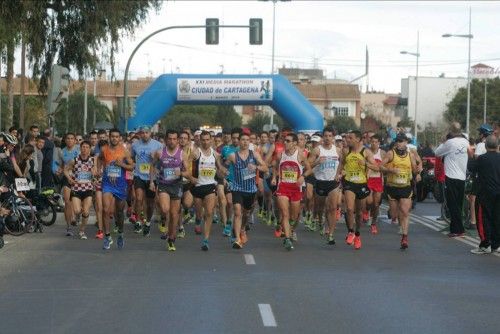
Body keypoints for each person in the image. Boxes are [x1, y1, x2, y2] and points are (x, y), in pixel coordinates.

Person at [150, 130, 193, 251]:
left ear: (177, 140)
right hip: (164, 185)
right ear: (166, 139)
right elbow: (152, 166)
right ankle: (167, 227)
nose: (172, 141)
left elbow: (188, 172)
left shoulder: (182, 154)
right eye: (170, 139)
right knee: (164, 208)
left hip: (177, 185)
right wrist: (151, 181)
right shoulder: (159, 153)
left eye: (175, 139)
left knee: (174, 215)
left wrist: (181, 172)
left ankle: (171, 238)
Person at [226, 132, 268, 249]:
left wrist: (256, 167)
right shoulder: (233, 155)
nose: (245, 142)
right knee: (238, 211)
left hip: (250, 190)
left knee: (246, 213)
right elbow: (224, 165)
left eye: (247, 140)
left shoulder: (254, 155)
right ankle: (237, 239)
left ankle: (243, 228)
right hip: (237, 188)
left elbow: (265, 167)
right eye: (242, 140)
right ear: (239, 142)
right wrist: (223, 172)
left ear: (250, 142)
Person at [273, 132, 311, 250]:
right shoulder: (280, 155)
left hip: (296, 188)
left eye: (288, 141)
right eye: (284, 140)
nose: (285, 142)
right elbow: (275, 166)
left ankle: (290, 229)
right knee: (285, 213)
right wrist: (274, 177)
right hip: (283, 187)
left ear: (295, 143)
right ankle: (287, 239)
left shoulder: (300, 155)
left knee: (294, 217)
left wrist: (302, 176)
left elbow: (309, 169)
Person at [342, 130, 379, 250]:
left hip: (361, 184)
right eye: (347, 138)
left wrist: (366, 164)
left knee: (358, 213)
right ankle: (351, 232)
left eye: (350, 138)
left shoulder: (366, 152)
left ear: (357, 139)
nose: (348, 140)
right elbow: (341, 163)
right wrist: (338, 173)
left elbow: (376, 168)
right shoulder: (346, 151)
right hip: (349, 182)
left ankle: (357, 235)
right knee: (349, 208)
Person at [189, 131, 226, 250]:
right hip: (197, 186)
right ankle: (198, 220)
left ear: (211, 140)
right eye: (203, 140)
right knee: (199, 213)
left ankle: (206, 240)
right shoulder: (195, 153)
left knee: (209, 212)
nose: (205, 142)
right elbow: (186, 166)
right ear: (200, 140)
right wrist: (190, 178)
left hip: (210, 186)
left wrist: (224, 173)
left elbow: (219, 168)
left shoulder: (215, 154)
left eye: (207, 140)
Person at [98, 128, 134, 250]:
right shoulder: (104, 150)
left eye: (116, 136)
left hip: (120, 185)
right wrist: (98, 170)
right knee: (106, 209)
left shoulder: (124, 151)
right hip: (107, 184)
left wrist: (122, 165)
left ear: (119, 138)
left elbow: (132, 166)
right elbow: (99, 158)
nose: (114, 138)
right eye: (112, 136)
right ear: (109, 137)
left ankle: (120, 233)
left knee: (119, 212)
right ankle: (107, 237)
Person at [380, 133, 418, 249]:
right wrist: (390, 170)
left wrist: (416, 173)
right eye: (397, 141)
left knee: (405, 211)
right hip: (392, 187)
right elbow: (380, 166)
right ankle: (398, 220)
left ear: (406, 142)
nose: (399, 143)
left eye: (401, 141)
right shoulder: (391, 153)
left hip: (405, 186)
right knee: (393, 214)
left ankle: (404, 238)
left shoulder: (410, 155)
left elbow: (415, 168)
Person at [308, 127, 342, 246]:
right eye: (325, 136)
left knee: (332, 208)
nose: (327, 138)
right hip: (320, 182)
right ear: (323, 137)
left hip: (333, 183)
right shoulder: (317, 150)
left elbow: (343, 163)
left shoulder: (337, 150)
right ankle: (320, 220)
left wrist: (338, 173)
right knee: (319, 208)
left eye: (330, 136)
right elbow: (308, 165)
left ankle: (331, 234)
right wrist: (317, 162)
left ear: (333, 138)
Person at [434, 122, 470, 237]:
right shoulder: (466, 142)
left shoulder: (450, 143)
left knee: (452, 204)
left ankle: (457, 230)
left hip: (451, 177)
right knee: (458, 204)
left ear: (451, 131)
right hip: (462, 177)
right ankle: (459, 229)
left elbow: (437, 153)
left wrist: (443, 141)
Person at [131, 125, 162, 236]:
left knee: (150, 204)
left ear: (150, 133)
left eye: (146, 132)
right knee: (138, 199)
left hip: (152, 177)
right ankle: (138, 221)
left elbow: (162, 161)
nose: (144, 135)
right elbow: (131, 157)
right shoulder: (135, 145)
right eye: (142, 133)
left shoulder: (158, 145)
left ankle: (148, 222)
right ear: (140, 134)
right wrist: (132, 165)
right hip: (139, 175)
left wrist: (156, 157)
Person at [64, 140, 96, 240]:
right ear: (80, 148)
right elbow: (65, 169)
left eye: (87, 147)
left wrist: (95, 176)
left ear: (90, 149)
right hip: (76, 188)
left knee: (86, 212)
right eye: (83, 147)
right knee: (77, 210)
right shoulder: (75, 160)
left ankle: (82, 231)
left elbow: (96, 173)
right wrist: (69, 179)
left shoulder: (93, 161)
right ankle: (78, 216)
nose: (85, 149)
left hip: (88, 189)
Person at [58, 133, 80, 236]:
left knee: (76, 203)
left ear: (75, 140)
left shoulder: (80, 150)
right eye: (68, 138)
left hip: (78, 179)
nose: (70, 140)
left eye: (72, 138)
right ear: (65, 140)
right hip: (67, 178)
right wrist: (59, 170)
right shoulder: (62, 152)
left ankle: (75, 216)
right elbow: (61, 165)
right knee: (67, 201)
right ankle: (68, 227)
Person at [365, 134, 385, 234]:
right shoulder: (366, 152)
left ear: (379, 143)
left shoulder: (383, 153)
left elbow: (385, 167)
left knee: (376, 204)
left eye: (376, 142)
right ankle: (367, 211)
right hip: (368, 180)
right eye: (372, 142)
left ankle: (373, 223)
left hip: (378, 180)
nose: (374, 144)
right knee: (369, 201)